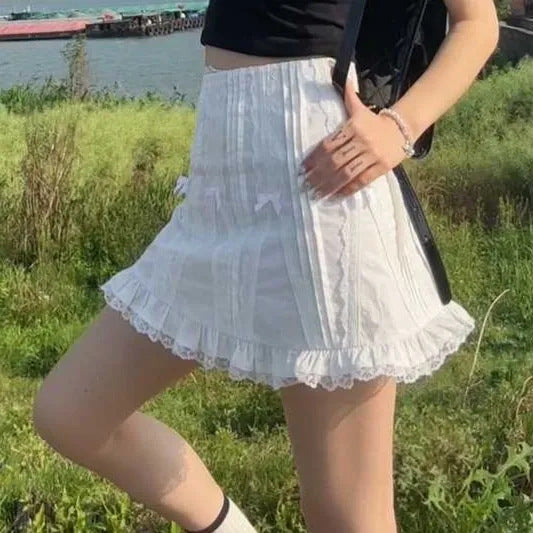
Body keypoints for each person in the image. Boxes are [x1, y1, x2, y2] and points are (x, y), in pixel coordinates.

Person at [31, 1, 499, 532]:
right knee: (71, 415)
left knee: (345, 518)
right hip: (221, 184)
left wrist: (398, 129)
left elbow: (477, 24)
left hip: (320, 183)